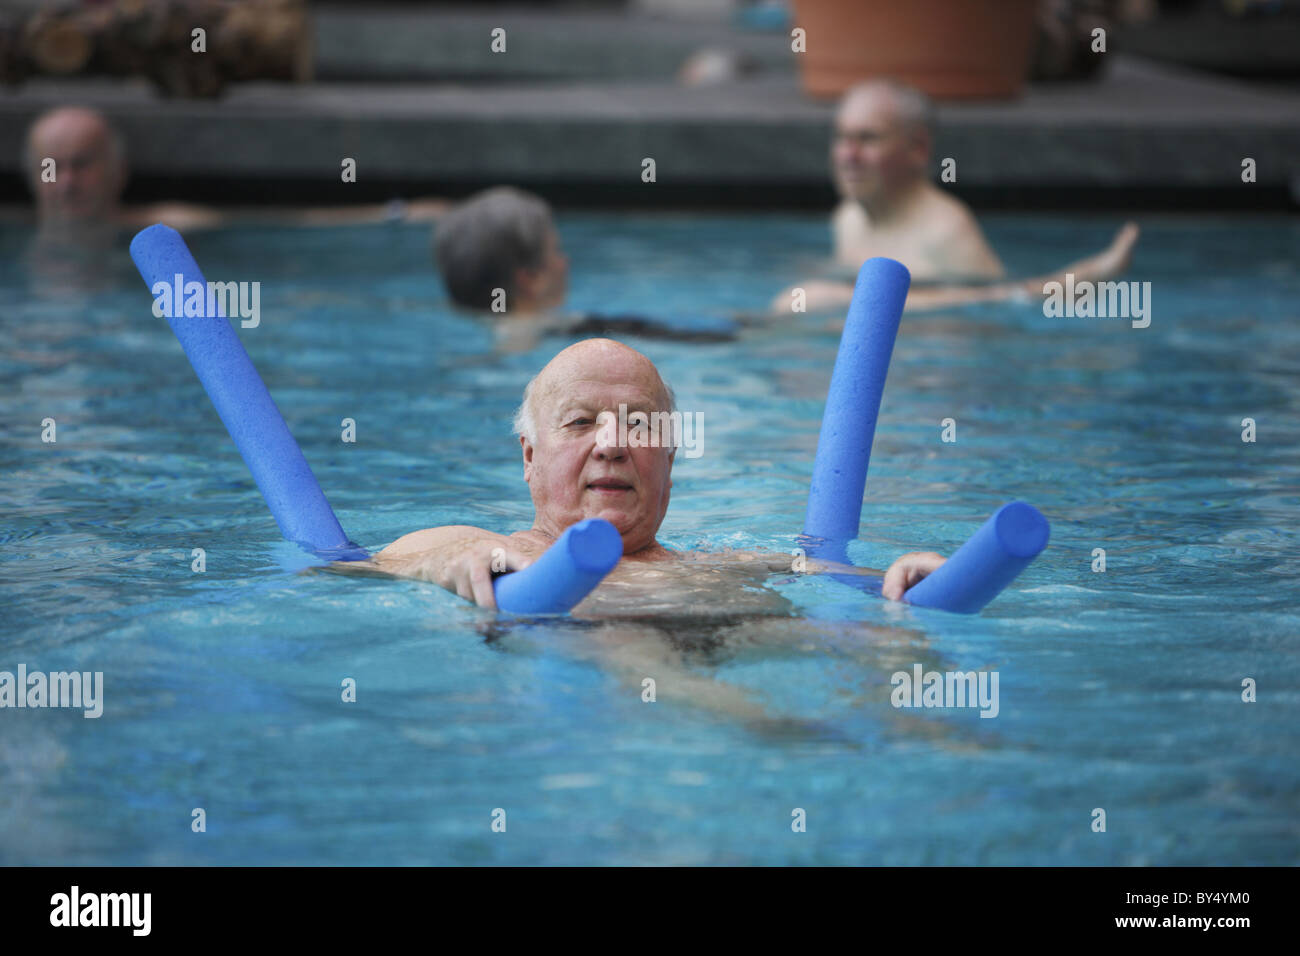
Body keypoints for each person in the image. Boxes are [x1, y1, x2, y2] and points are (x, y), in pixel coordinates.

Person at [355, 337, 946, 611]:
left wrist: (906, 577)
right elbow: (377, 564)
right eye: (581, 422)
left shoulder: (726, 566)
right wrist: (446, 566)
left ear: (671, 460)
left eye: (639, 425)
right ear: (529, 458)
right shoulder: (483, 550)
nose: (612, 445)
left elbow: (846, 583)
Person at [771, 79, 1140, 314]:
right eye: (841, 137)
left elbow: (999, 308)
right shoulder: (848, 216)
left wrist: (840, 301)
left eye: (867, 139)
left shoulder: (946, 232)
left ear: (917, 148)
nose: (848, 156)